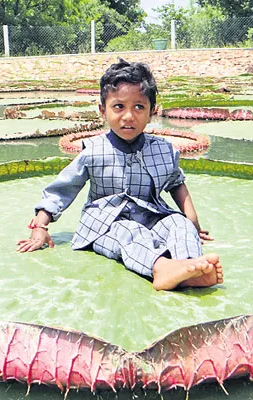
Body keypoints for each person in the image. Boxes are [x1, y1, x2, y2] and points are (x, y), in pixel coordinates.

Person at [17, 59, 223, 291]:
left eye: (138, 107)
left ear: (152, 111)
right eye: (118, 107)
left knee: (178, 223)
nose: (128, 116)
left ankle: (189, 268)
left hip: (151, 217)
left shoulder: (164, 149)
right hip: (105, 226)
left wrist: (192, 220)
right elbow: (63, 189)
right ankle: (161, 268)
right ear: (103, 110)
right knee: (129, 232)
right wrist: (41, 227)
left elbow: (176, 183)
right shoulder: (93, 151)